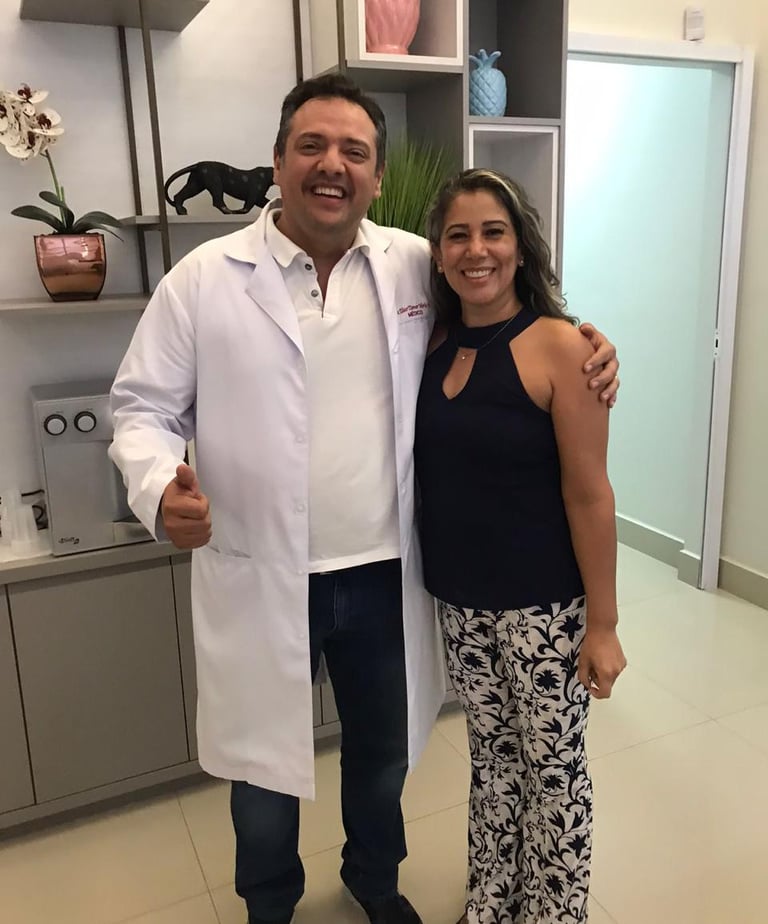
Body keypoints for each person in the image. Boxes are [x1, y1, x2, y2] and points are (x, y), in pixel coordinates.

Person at [108, 75, 619, 924]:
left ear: (378, 177)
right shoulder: (203, 279)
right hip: (263, 573)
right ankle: (268, 903)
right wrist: (159, 487)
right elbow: (140, 409)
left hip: (386, 573)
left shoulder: (413, 262)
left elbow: (504, 309)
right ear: (278, 161)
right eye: (311, 145)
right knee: (262, 774)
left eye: (355, 151)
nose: (332, 165)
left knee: (381, 758)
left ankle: (374, 883)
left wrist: (590, 346)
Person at [414, 168, 627, 924]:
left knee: (553, 773)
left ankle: (553, 912)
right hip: (462, 603)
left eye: (493, 232)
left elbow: (590, 495)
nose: (476, 250)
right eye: (458, 235)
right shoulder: (432, 341)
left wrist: (603, 624)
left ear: (521, 245)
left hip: (545, 608)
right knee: (493, 763)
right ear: (438, 254)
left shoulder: (563, 348)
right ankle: (492, 903)